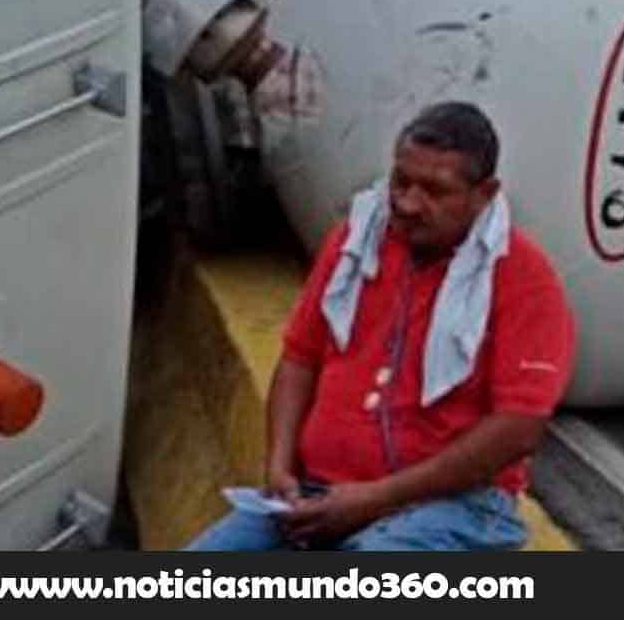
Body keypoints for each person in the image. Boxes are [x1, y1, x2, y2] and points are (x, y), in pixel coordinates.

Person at [188, 102, 575, 550]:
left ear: (485, 194)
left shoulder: (523, 277)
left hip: (453, 505)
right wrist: (279, 469)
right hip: (319, 491)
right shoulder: (354, 243)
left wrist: (374, 500)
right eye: (401, 182)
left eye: (435, 191)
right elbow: (299, 360)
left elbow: (518, 428)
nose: (408, 203)